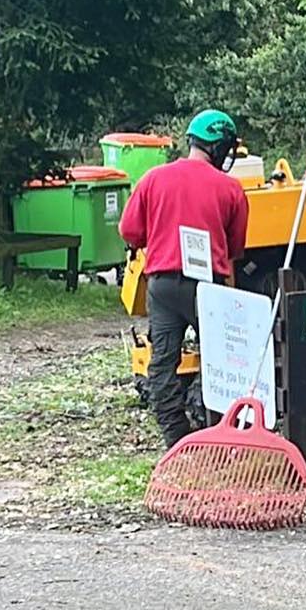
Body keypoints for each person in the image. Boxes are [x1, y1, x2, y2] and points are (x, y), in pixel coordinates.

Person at [119, 110, 250, 449]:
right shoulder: (231, 189)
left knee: (163, 361)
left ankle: (176, 438)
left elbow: (129, 232)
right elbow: (236, 247)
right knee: (219, 360)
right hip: (208, 286)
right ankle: (217, 433)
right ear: (220, 147)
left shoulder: (153, 179)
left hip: (162, 283)